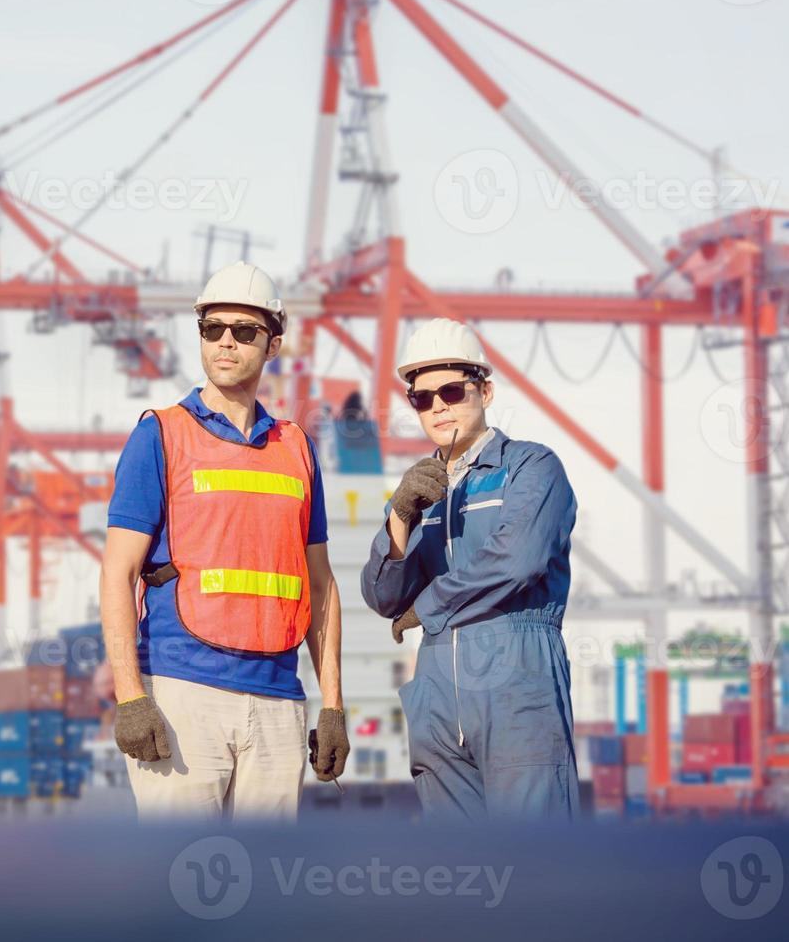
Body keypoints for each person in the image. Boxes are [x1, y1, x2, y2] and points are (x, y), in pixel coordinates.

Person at [99, 261, 348, 821]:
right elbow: (117, 573)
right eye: (213, 330)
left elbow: (320, 586)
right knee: (177, 887)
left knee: (267, 895)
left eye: (244, 331)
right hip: (183, 694)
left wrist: (332, 704)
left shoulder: (299, 450)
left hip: (279, 700)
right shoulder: (159, 435)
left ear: (274, 343)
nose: (226, 342)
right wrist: (131, 696)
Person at [360, 318, 579, 821]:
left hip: (516, 676)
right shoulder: (420, 489)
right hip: (436, 689)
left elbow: (517, 560)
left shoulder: (531, 467)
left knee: (536, 868)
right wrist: (398, 515)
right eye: (422, 397)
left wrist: (428, 606)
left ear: (486, 390)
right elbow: (383, 598)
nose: (437, 405)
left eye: (452, 391)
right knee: (459, 874)